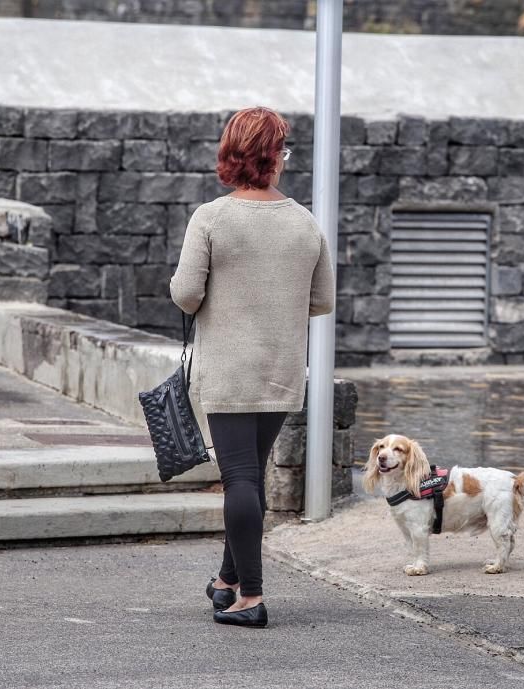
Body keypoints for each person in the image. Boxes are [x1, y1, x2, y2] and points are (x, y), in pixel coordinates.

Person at [170, 107, 335, 629]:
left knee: (239, 477)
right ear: (271, 157)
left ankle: (252, 597)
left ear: (232, 154)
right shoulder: (304, 220)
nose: (286, 160)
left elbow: (186, 294)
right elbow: (323, 299)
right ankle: (227, 581)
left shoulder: (212, 217)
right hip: (282, 368)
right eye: (283, 150)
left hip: (230, 369)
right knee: (252, 477)